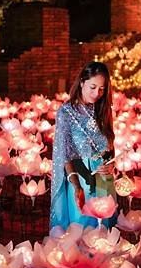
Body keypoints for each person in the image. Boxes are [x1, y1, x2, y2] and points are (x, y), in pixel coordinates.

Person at [50, 61, 117, 231]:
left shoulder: (103, 108)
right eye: (92, 87)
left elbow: (109, 144)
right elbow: (64, 154)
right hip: (81, 177)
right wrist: (77, 186)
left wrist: (111, 164)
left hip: (104, 178)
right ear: (81, 83)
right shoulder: (67, 112)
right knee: (83, 230)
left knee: (104, 232)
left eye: (102, 89)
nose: (97, 93)